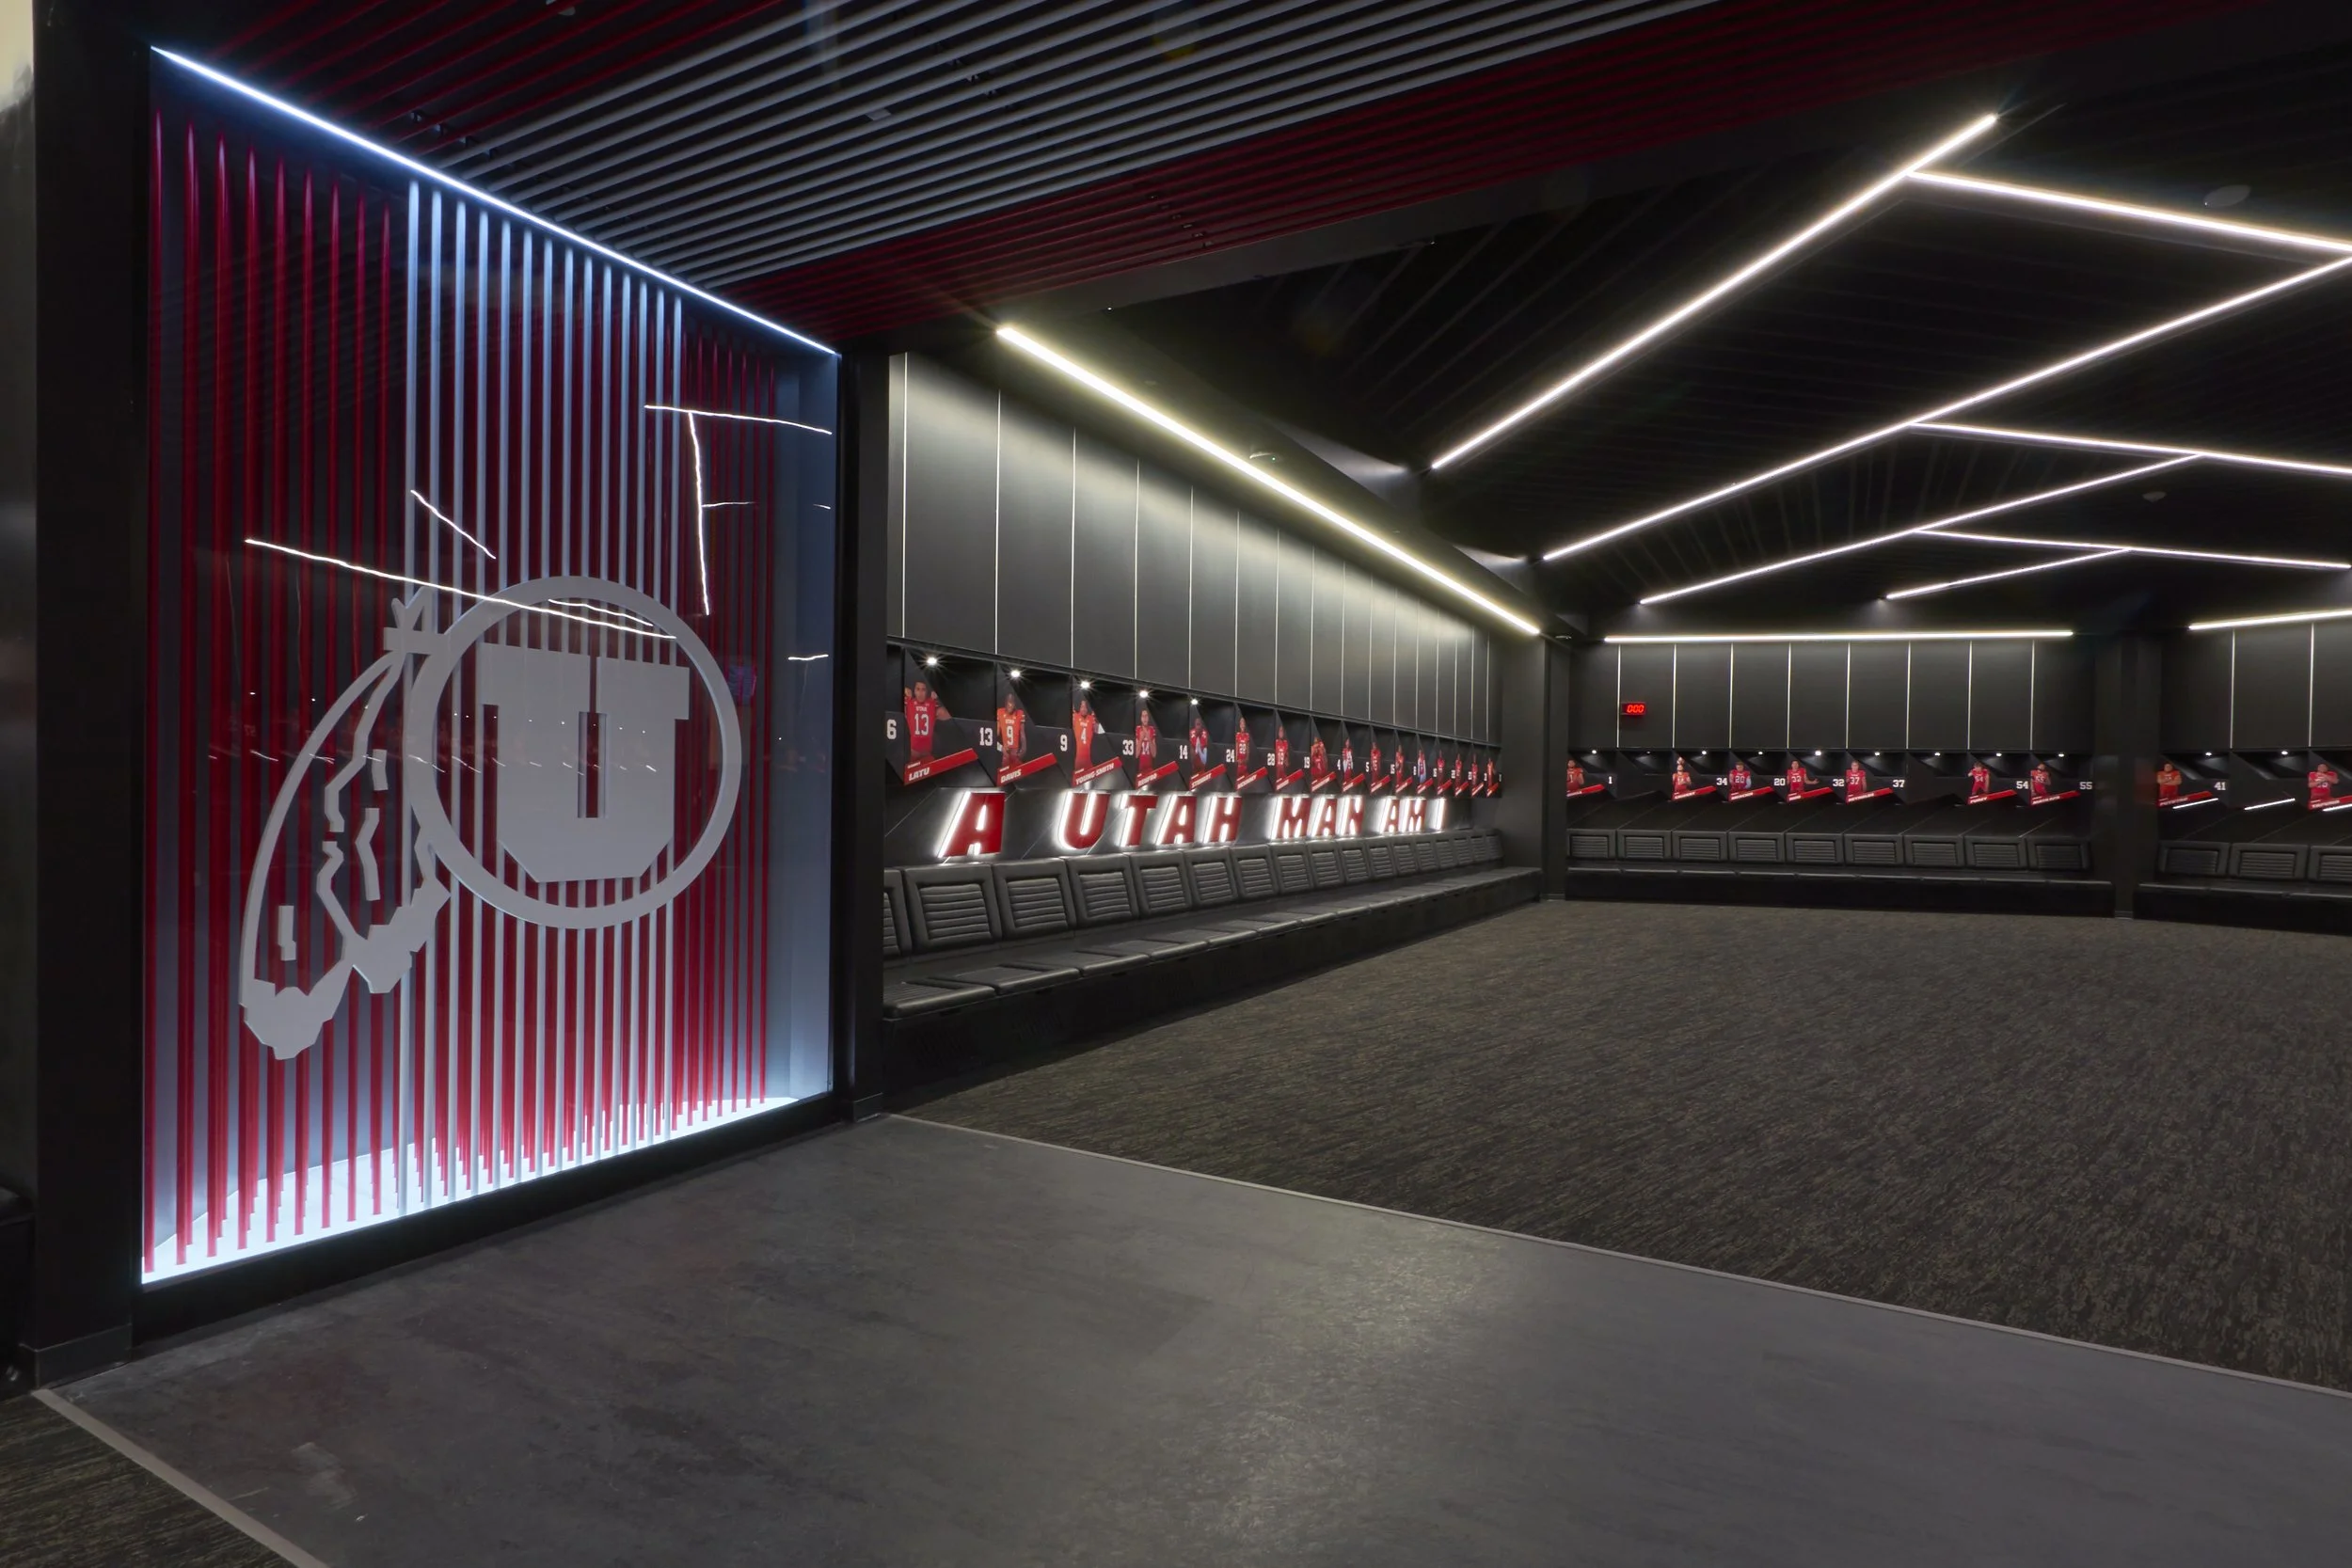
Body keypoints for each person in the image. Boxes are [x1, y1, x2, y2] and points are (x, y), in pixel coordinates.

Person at [904, 679, 946, 762]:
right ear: (914, 691)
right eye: (918, 689)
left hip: (928, 753)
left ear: (927, 692)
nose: (920, 693)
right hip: (913, 753)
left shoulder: (932, 703)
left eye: (923, 690)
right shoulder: (909, 702)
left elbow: (944, 713)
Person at [993, 692, 1025, 767]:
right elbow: (996, 733)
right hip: (1005, 752)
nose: (1010, 705)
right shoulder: (1000, 712)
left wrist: (1024, 748)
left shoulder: (1020, 714)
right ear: (1005, 703)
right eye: (1008, 703)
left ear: (1015, 704)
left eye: (1012, 703)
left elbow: (1022, 733)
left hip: (1015, 752)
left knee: (1019, 773)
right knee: (1004, 774)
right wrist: (1001, 748)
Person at [1072, 694, 1100, 770]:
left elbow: (1097, 731)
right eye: (1082, 707)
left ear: (1087, 709)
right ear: (1079, 708)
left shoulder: (1091, 719)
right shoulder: (1075, 717)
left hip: (1088, 759)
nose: (1083, 709)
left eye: (1085, 707)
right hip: (1077, 759)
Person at [1134, 704, 1158, 776]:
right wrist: (1141, 739)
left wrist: (1149, 738)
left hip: (1150, 769)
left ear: (1148, 717)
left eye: (1146, 716)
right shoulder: (1137, 729)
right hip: (1139, 769)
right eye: (1143, 716)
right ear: (1140, 718)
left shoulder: (1152, 730)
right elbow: (1136, 755)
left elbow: (1154, 754)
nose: (1144, 718)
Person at [1232, 717, 1252, 781]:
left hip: (1244, 759)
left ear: (1245, 725)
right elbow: (1236, 747)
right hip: (1239, 759)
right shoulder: (1238, 735)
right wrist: (1236, 758)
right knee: (1238, 777)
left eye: (1244, 724)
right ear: (1240, 725)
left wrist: (1247, 758)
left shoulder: (1247, 735)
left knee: (1245, 777)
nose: (1243, 725)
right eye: (1241, 724)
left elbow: (1248, 748)